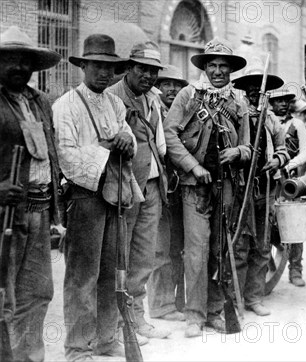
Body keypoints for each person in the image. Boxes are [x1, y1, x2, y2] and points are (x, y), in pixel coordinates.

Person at [53, 34, 136, 360]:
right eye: (97, 66)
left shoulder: (116, 104)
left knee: (111, 272)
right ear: (84, 66)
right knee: (82, 277)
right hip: (84, 196)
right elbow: (66, 156)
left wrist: (127, 142)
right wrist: (105, 149)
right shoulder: (66, 105)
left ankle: (105, 339)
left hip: (115, 193)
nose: (104, 73)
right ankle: (77, 347)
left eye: (110, 68)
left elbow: (126, 134)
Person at [163, 38, 251, 337]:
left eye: (223, 66)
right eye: (212, 65)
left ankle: (215, 311)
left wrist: (237, 153)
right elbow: (169, 135)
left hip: (225, 184)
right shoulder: (188, 95)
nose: (217, 71)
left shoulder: (239, 102)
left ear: (230, 70)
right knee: (197, 251)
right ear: (204, 67)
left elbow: (249, 147)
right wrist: (193, 165)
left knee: (219, 250)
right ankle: (194, 315)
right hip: (193, 186)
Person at [0, 26, 61, 362]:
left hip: (39, 209)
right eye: (10, 60)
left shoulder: (40, 102)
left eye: (25, 61)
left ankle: (29, 357)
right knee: (3, 296)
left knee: (37, 293)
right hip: (5, 213)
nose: (18, 67)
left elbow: (50, 152)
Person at [107, 41, 171, 340]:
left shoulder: (154, 98)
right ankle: (118, 325)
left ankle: (137, 317)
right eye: (142, 69)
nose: (148, 75)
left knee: (145, 255)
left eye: (153, 70)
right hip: (126, 185)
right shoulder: (112, 97)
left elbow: (160, 143)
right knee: (121, 255)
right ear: (129, 68)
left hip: (153, 185)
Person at [230, 68, 291, 316]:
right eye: (252, 86)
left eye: (261, 86)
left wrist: (277, 160)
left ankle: (254, 297)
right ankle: (236, 298)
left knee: (263, 245)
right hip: (241, 188)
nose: (256, 91)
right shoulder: (237, 113)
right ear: (245, 89)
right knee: (240, 245)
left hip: (265, 187)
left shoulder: (272, 120)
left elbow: (284, 150)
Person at [147, 65, 189, 321]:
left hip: (179, 189)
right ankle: (160, 304)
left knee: (178, 246)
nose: (172, 89)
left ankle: (175, 300)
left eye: (177, 85)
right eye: (166, 85)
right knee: (159, 247)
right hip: (159, 185)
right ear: (158, 87)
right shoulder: (153, 111)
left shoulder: (184, 113)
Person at [268, 90, 306, 288]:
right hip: (268, 179)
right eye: (278, 101)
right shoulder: (265, 121)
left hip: (289, 179)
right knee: (267, 222)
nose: (282, 105)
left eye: (286, 101)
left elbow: (305, 154)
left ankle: (296, 270)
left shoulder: (298, 124)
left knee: (294, 223)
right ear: (271, 103)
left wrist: (287, 165)